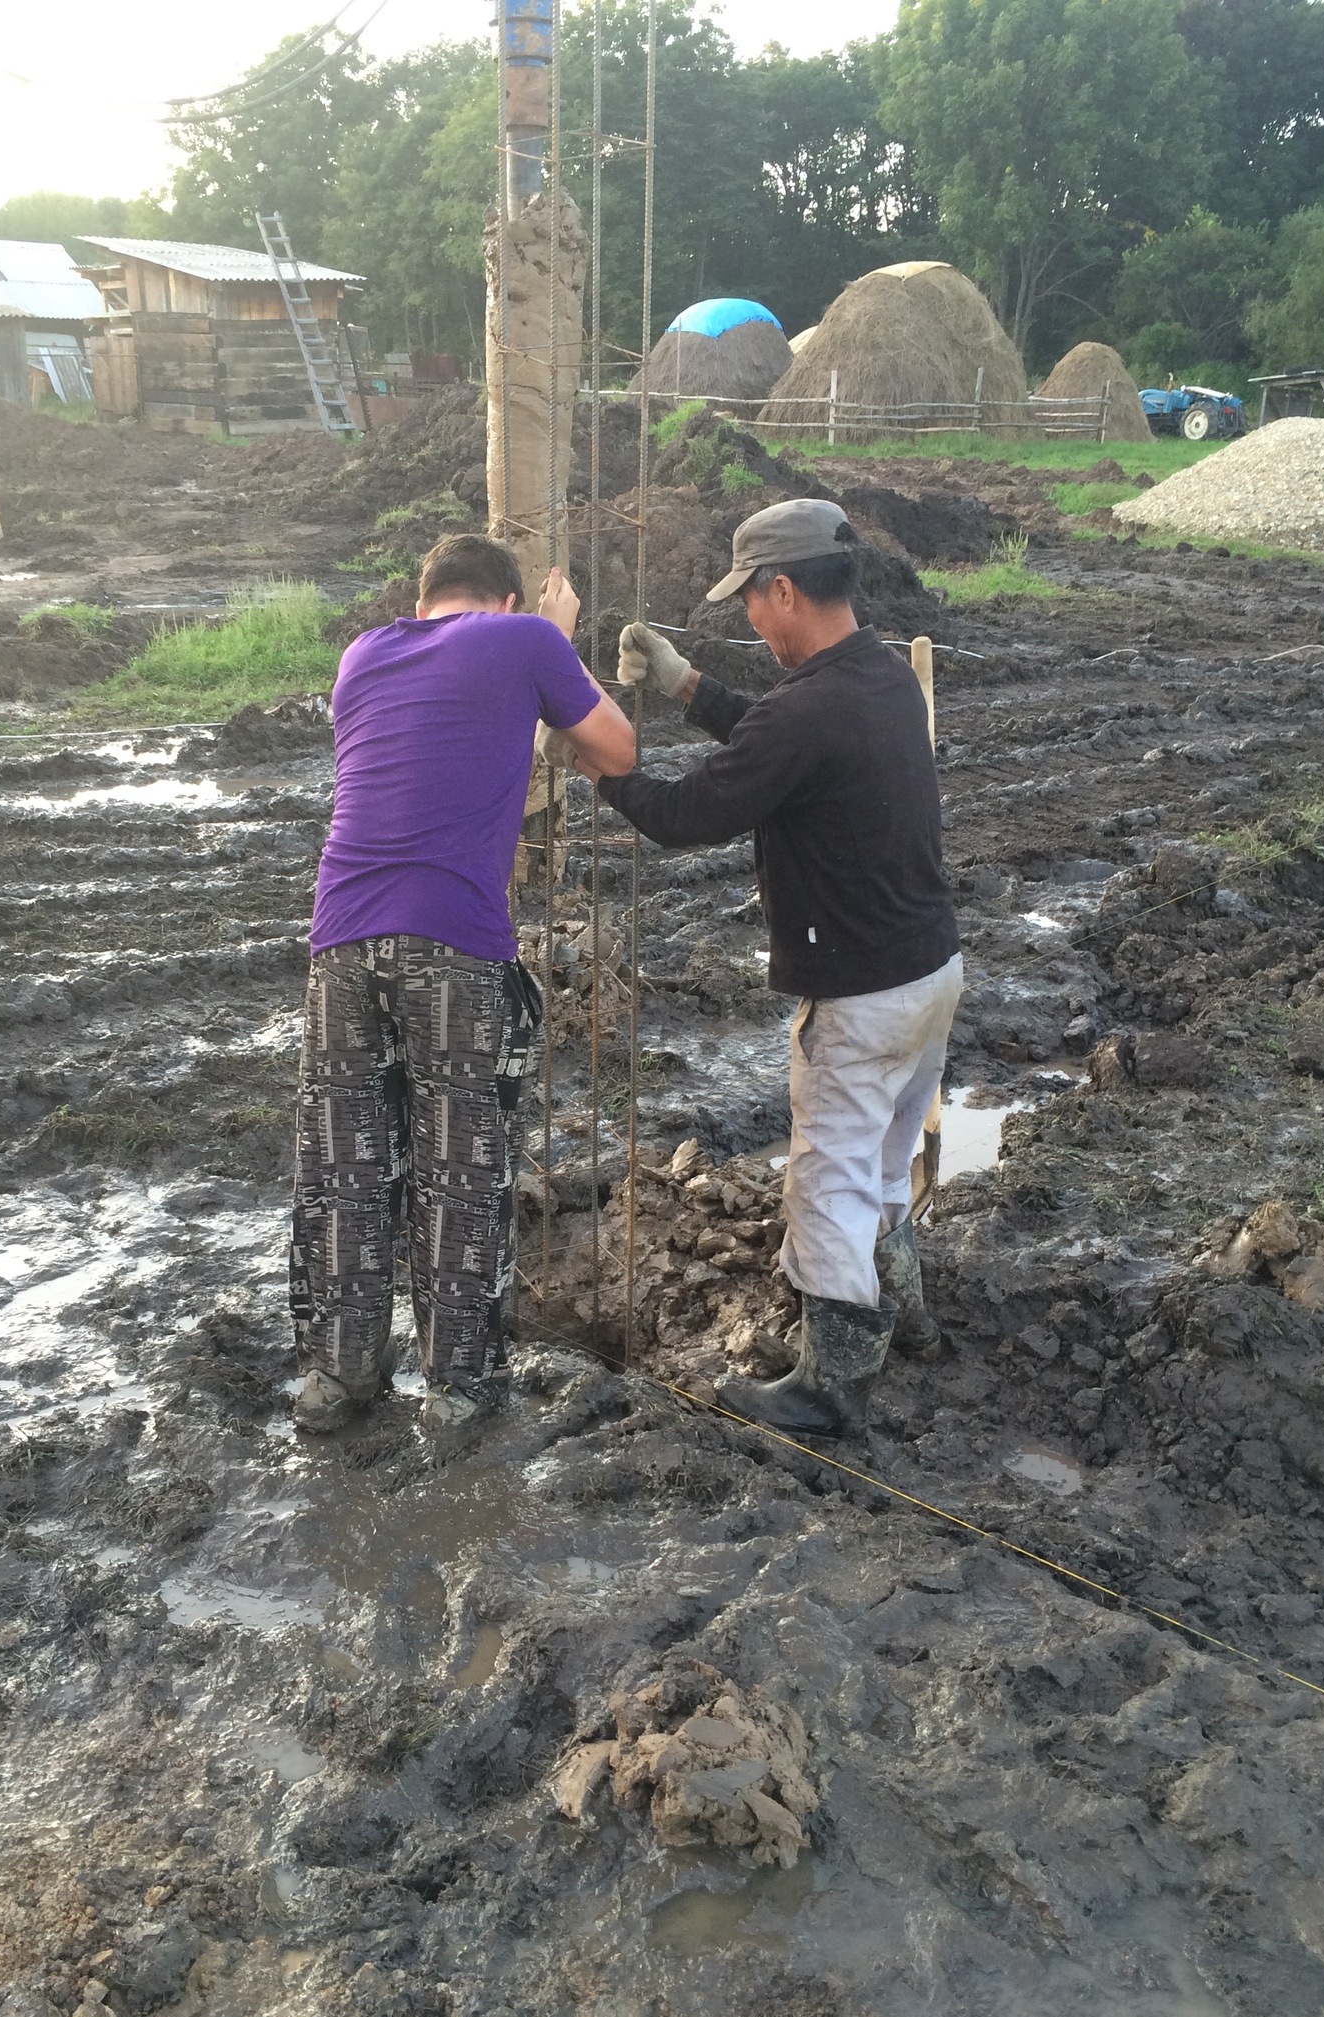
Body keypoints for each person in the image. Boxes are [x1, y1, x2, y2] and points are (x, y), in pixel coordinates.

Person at [551, 497, 961, 1437]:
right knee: (887, 1163)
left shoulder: (810, 710)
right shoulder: (882, 677)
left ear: (785, 589)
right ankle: (909, 1317)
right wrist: (691, 686)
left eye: (751, 602)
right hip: (931, 973)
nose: (748, 619)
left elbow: (691, 814)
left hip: (859, 997)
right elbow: (779, 741)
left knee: (825, 1183)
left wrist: (597, 768)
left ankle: (830, 1388)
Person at [294, 532, 636, 1431]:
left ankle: (338, 1379)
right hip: (451, 939)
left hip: (339, 941)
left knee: (348, 1168)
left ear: (422, 605)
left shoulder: (362, 654)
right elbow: (618, 747)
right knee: (457, 1170)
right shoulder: (524, 641)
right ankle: (458, 1393)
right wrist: (559, 638)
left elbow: (444, 729)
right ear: (509, 603)